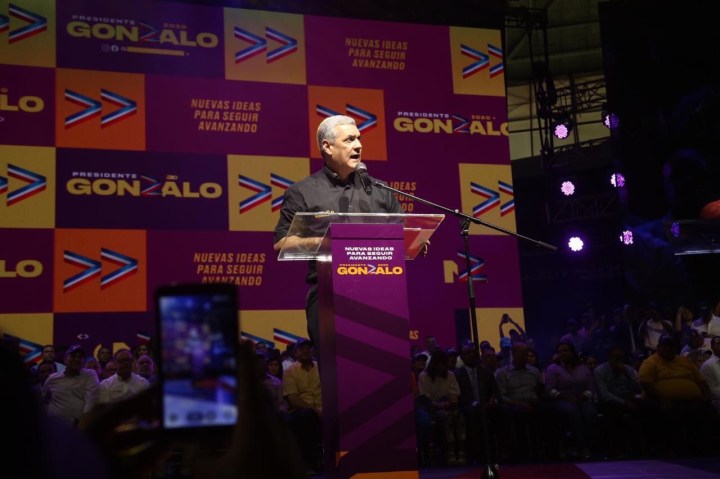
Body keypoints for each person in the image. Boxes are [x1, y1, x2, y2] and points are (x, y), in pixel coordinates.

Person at [273, 115, 404, 349]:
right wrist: (327, 241)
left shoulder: (380, 190)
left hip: (381, 294)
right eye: (350, 139)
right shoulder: (302, 192)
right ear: (327, 146)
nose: (359, 145)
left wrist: (414, 242)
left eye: (359, 138)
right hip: (328, 295)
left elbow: (404, 235)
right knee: (338, 370)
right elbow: (281, 244)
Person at [41, 344, 100, 427]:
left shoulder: (89, 375)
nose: (76, 359)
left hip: (79, 426)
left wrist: (85, 423)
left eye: (80, 357)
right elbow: (43, 398)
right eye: (73, 356)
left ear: (83, 362)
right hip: (55, 427)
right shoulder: (53, 379)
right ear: (65, 359)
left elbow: (91, 399)